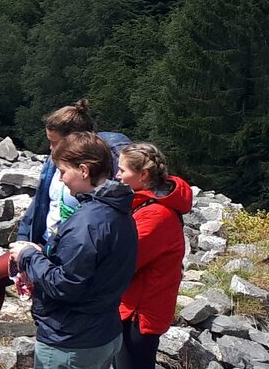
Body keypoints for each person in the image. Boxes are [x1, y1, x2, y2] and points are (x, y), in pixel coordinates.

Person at [0, 99, 130, 360]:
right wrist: (26, 243)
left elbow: (67, 283)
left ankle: (54, 346)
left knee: (61, 300)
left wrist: (32, 257)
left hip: (66, 260)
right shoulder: (60, 165)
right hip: (47, 246)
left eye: (54, 143)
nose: (50, 151)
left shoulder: (97, 197)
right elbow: (41, 204)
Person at [7, 132, 137, 368]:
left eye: (63, 171)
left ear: (84, 171)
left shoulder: (87, 222)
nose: (60, 179)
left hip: (71, 341)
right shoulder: (119, 209)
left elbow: (65, 285)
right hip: (105, 331)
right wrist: (45, 253)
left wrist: (28, 256)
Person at [113, 143, 190, 369]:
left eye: (122, 171)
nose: (117, 176)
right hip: (135, 306)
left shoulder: (156, 215)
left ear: (143, 174)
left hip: (140, 312)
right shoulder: (150, 204)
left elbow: (124, 261)